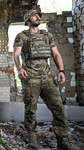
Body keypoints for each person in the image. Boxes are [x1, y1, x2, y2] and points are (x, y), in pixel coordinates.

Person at [13, 10, 75, 150]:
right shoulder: (22, 36)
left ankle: (63, 140)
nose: (38, 17)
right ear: (28, 19)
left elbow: (56, 54)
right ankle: (32, 137)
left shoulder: (47, 35)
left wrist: (61, 71)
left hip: (47, 77)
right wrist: (19, 69)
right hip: (30, 78)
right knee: (31, 109)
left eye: (38, 15)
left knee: (58, 107)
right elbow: (16, 54)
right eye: (34, 15)